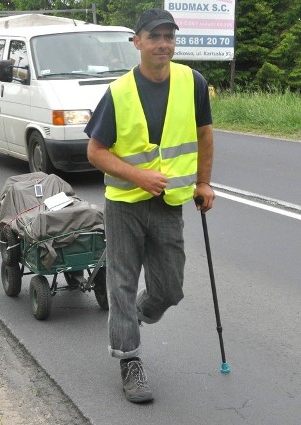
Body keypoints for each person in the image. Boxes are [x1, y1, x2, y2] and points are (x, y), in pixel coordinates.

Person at [85, 8, 215, 403]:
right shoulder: (119, 92)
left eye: (169, 37)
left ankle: (131, 318)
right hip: (124, 202)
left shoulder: (192, 82)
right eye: (154, 36)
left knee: (170, 288)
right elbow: (94, 151)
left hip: (169, 203)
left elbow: (204, 135)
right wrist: (138, 176)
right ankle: (130, 360)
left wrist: (204, 182)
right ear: (136, 42)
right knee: (121, 282)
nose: (163, 44)